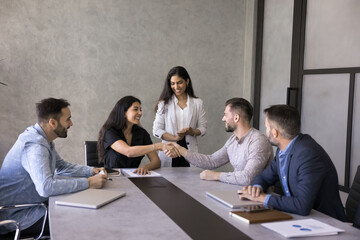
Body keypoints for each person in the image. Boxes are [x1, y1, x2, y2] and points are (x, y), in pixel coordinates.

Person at [0, 98, 107, 236]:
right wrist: (88, 183)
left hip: (34, 205)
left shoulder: (42, 139)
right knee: (83, 220)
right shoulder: (35, 146)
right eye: (68, 119)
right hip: (19, 216)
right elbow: (46, 188)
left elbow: (60, 166)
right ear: (53, 122)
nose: (71, 123)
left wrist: (91, 171)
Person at [238, 104, 346, 221]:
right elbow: (264, 176)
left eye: (267, 127)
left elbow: (302, 206)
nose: (266, 131)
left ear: (275, 133)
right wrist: (256, 188)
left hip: (326, 222)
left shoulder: (308, 155)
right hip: (297, 218)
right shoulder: (283, 149)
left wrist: (262, 198)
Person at [167, 98, 273, 185]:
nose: (223, 119)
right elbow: (212, 161)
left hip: (259, 201)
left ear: (236, 118)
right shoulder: (232, 140)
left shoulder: (258, 142)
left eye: (226, 115)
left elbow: (247, 178)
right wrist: (181, 150)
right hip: (239, 193)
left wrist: (216, 176)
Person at [98, 96, 179, 175]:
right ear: (123, 112)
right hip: (112, 177)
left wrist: (146, 167)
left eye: (140, 110)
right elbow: (128, 152)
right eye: (135, 109)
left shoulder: (142, 133)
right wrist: (159, 146)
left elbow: (156, 161)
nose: (140, 113)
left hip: (133, 178)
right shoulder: (109, 131)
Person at [153, 66, 207, 167]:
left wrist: (192, 132)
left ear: (187, 81)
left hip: (190, 152)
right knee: (167, 181)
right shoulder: (163, 104)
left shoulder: (198, 103)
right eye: (172, 83)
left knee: (190, 181)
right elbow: (156, 130)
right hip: (170, 151)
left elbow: (203, 128)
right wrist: (175, 137)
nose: (176, 87)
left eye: (179, 82)